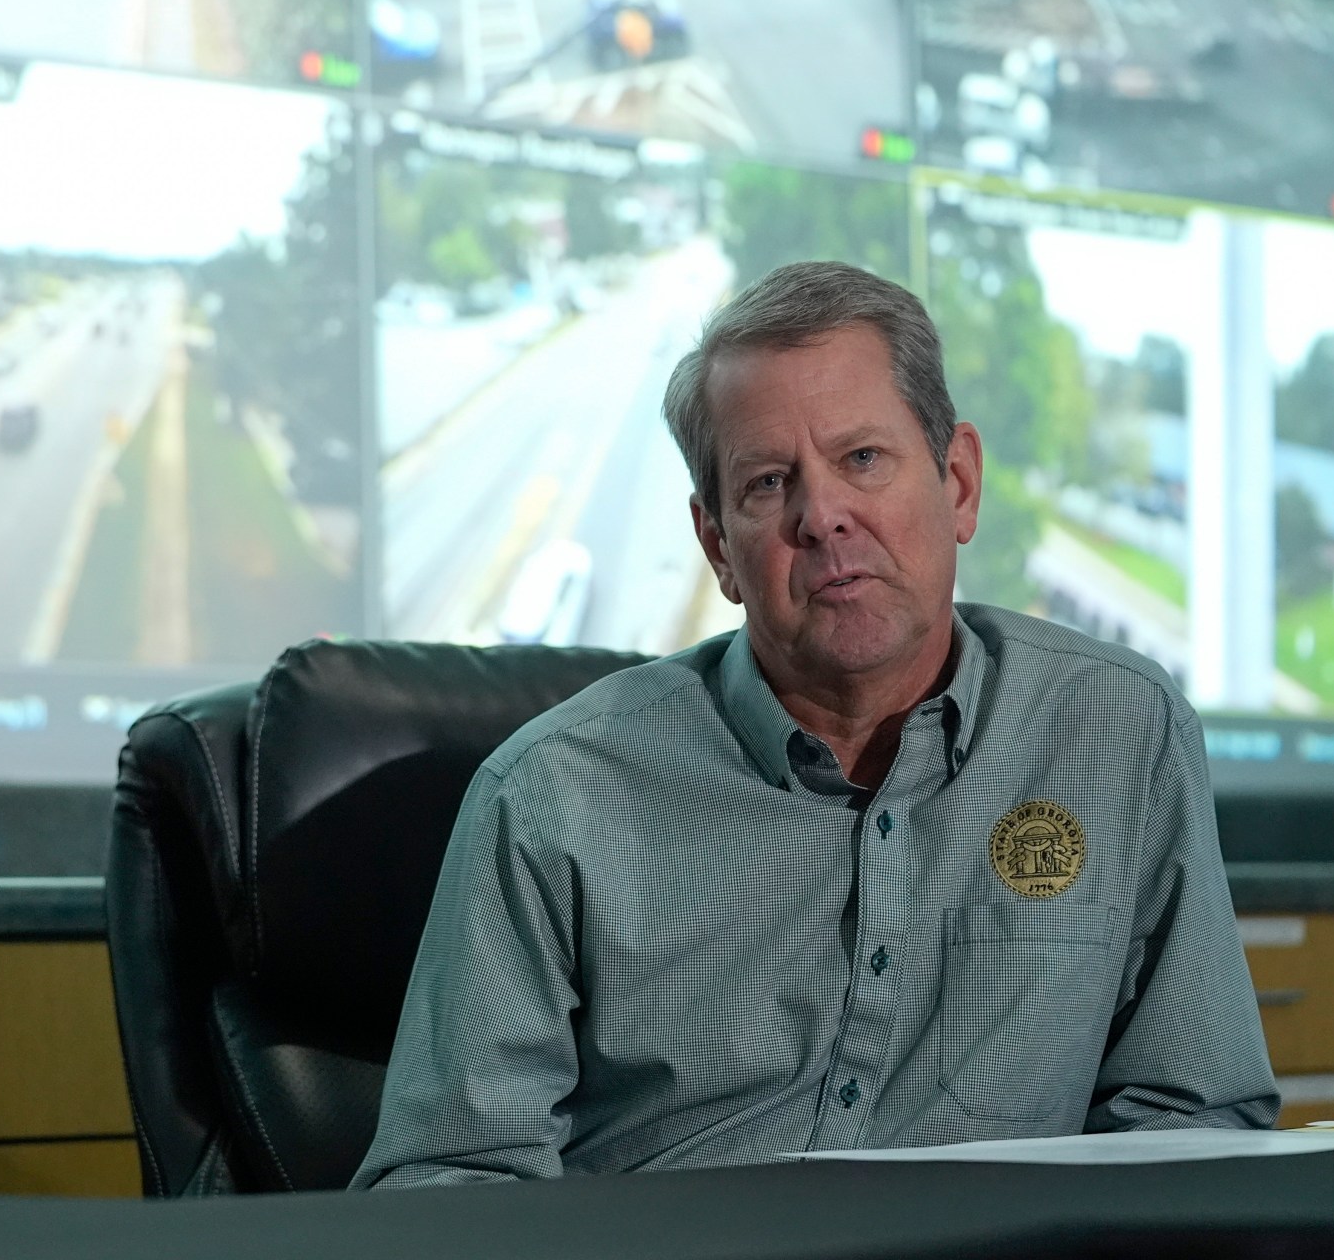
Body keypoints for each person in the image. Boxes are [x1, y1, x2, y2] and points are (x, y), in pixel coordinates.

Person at [354, 261, 1276, 1187]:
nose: (824, 516)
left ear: (957, 483)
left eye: (863, 460)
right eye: (767, 483)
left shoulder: (1117, 732)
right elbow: (447, 1188)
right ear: (718, 545)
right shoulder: (552, 796)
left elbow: (1194, 1123)